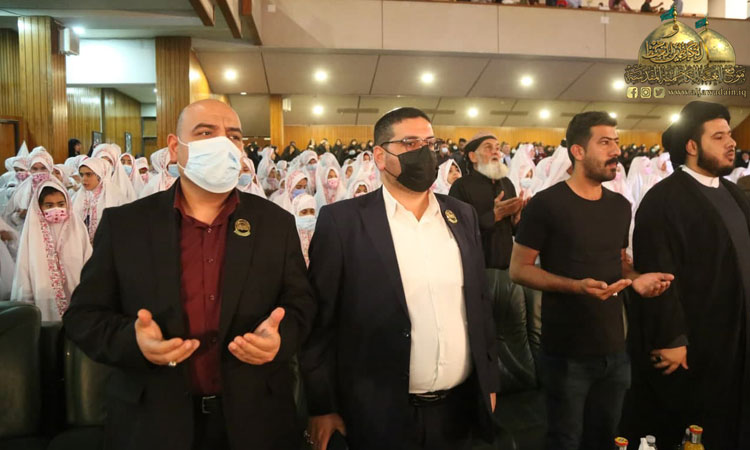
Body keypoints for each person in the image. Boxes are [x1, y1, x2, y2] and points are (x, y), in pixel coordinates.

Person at [63, 99, 316, 450]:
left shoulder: (275, 224)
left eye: (234, 136)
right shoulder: (125, 225)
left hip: (257, 421)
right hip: (152, 422)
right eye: (205, 133)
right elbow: (83, 316)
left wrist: (280, 339)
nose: (223, 143)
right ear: (174, 147)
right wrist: (133, 341)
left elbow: (302, 305)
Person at [302, 107, 499, 450]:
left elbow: (479, 302)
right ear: (380, 156)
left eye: (430, 143)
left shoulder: (461, 214)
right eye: (410, 143)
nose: (425, 152)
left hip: (458, 409)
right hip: (378, 412)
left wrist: (489, 381)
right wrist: (322, 406)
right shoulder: (343, 222)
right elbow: (320, 322)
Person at [509, 111, 673, 450]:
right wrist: (576, 286)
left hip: (615, 349)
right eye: (605, 142)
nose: (616, 151)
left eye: (616, 142)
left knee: (606, 438)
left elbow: (619, 262)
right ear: (578, 151)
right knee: (565, 440)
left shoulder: (620, 206)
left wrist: (637, 279)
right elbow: (519, 269)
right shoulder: (547, 204)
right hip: (566, 352)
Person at [624, 101, 750, 449]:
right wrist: (672, 338)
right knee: (694, 427)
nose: (731, 143)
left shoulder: (733, 193)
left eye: (730, 135)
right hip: (695, 342)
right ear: (692, 146)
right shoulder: (663, 200)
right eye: (719, 136)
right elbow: (658, 276)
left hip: (736, 334)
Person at [11, 179, 92, 320]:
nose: (56, 209)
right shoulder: (32, 231)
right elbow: (24, 268)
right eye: (49, 205)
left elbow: (89, 260)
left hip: (76, 292)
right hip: (44, 295)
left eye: (61, 204)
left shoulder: (77, 227)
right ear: (39, 207)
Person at [449, 132, 523, 270]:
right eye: (488, 148)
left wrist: (517, 219)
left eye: (497, 148)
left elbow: (514, 231)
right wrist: (493, 216)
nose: (495, 152)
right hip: (476, 266)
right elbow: (457, 229)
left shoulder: (507, 184)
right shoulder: (461, 186)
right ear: (473, 156)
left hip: (507, 264)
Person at [72, 158, 128, 243]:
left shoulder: (115, 196)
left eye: (88, 174)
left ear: (100, 175)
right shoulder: (79, 196)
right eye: (81, 175)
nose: (84, 179)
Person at [292, 193, 316, 267]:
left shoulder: (320, 231)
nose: (309, 215)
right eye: (304, 212)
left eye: (312, 211)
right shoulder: (291, 233)